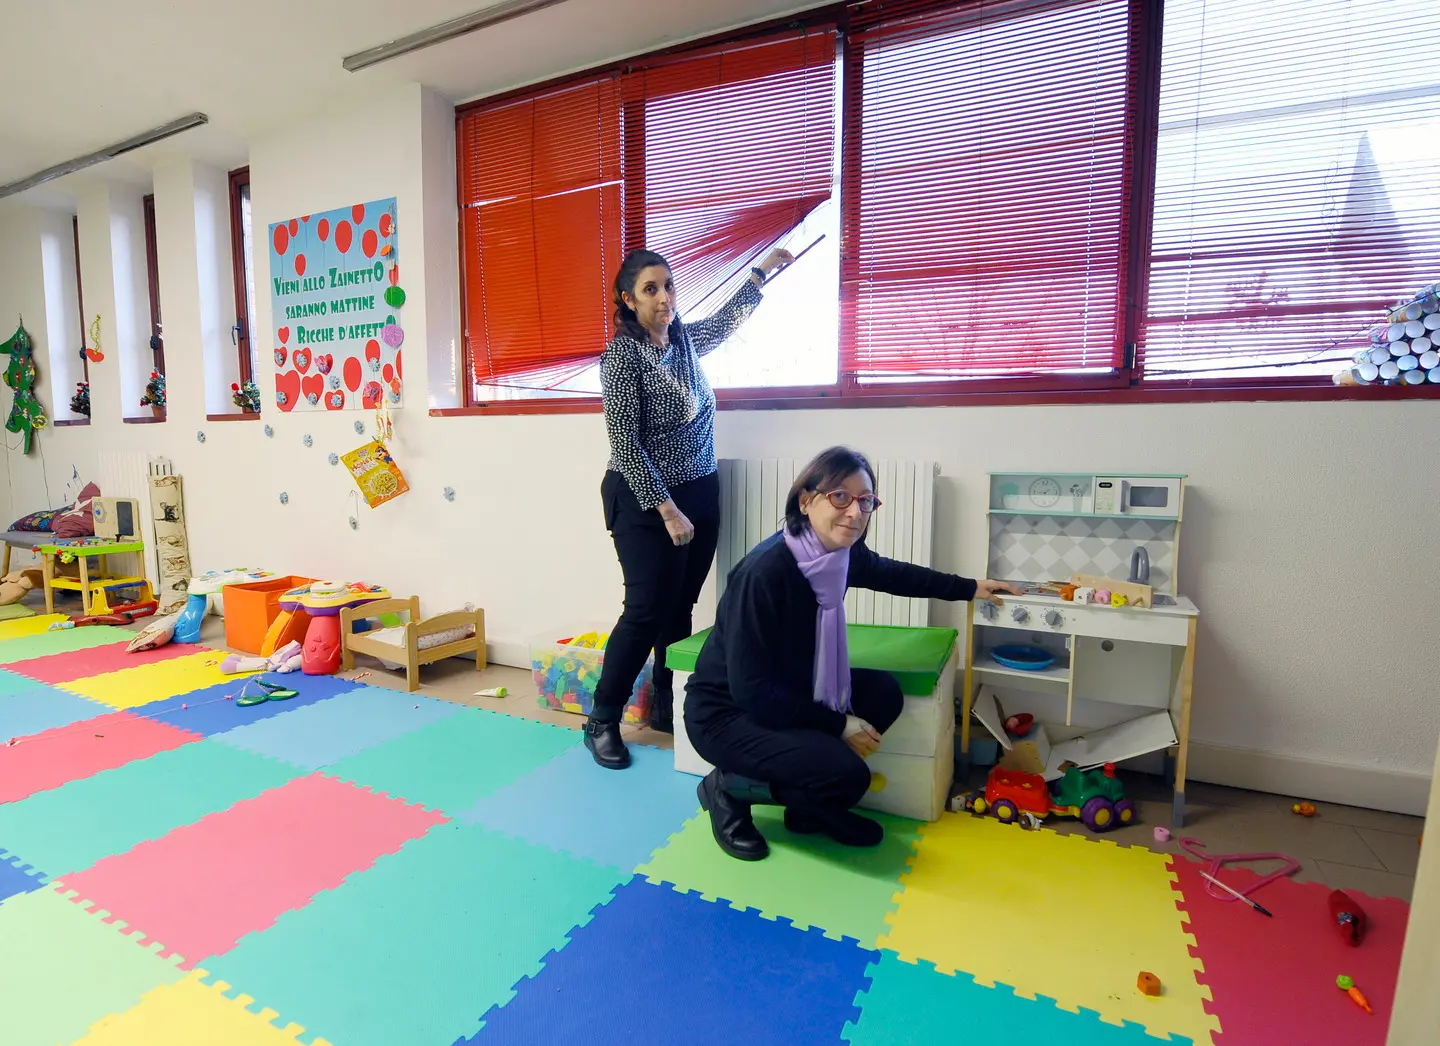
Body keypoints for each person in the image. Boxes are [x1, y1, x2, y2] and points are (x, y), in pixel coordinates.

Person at [683, 446, 1023, 860]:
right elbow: (752, 691)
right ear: (806, 500)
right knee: (847, 775)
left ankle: (808, 807)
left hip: (791, 687)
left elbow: (894, 574)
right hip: (726, 713)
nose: (855, 511)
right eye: (840, 496)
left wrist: (970, 587)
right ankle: (728, 788)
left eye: (865, 501)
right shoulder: (765, 573)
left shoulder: (837, 555)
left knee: (883, 693)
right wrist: (839, 725)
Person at [585, 246, 795, 770]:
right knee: (645, 611)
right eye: (651, 290)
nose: (664, 298)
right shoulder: (621, 358)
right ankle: (602, 719)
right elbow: (625, 444)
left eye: (669, 286)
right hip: (644, 500)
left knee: (680, 608)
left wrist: (762, 274)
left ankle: (665, 704)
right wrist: (668, 510)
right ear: (628, 301)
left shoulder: (683, 340)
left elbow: (725, 321)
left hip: (701, 492)